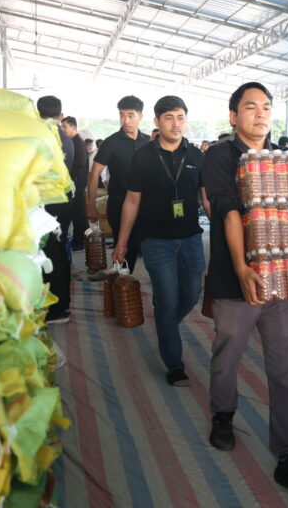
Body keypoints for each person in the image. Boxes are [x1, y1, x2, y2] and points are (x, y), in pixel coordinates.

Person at [202, 82, 288, 501]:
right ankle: (223, 414)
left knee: (285, 372)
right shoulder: (220, 156)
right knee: (227, 354)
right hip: (234, 280)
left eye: (266, 107)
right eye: (251, 107)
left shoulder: (283, 159)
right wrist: (242, 268)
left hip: (283, 280)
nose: (260, 114)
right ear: (233, 115)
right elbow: (228, 211)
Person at [112, 95, 210, 386]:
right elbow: (132, 200)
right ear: (157, 122)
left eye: (180, 118)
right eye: (169, 118)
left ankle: (166, 325)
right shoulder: (142, 156)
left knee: (191, 294)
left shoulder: (196, 156)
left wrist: (224, 227)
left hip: (191, 237)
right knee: (167, 301)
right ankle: (174, 364)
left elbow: (206, 198)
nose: (175, 124)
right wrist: (122, 242)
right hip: (156, 240)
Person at [87, 96, 149, 273]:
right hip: (118, 203)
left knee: (144, 246)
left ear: (140, 116)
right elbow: (94, 174)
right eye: (122, 115)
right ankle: (120, 282)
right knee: (124, 247)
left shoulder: (149, 142)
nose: (125, 120)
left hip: (145, 203)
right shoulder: (111, 142)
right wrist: (91, 205)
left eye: (130, 115)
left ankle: (126, 279)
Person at [38, 96, 74, 324]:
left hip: (50, 205)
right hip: (63, 203)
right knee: (58, 252)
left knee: (51, 254)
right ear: (61, 116)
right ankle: (61, 305)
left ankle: (57, 309)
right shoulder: (66, 139)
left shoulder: (44, 139)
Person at [62, 116, 89, 250]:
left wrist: (64, 164)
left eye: (65, 127)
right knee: (75, 212)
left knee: (79, 213)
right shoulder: (71, 141)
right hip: (74, 182)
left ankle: (81, 242)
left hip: (78, 183)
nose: (63, 130)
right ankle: (78, 241)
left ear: (74, 127)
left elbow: (80, 162)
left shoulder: (78, 142)